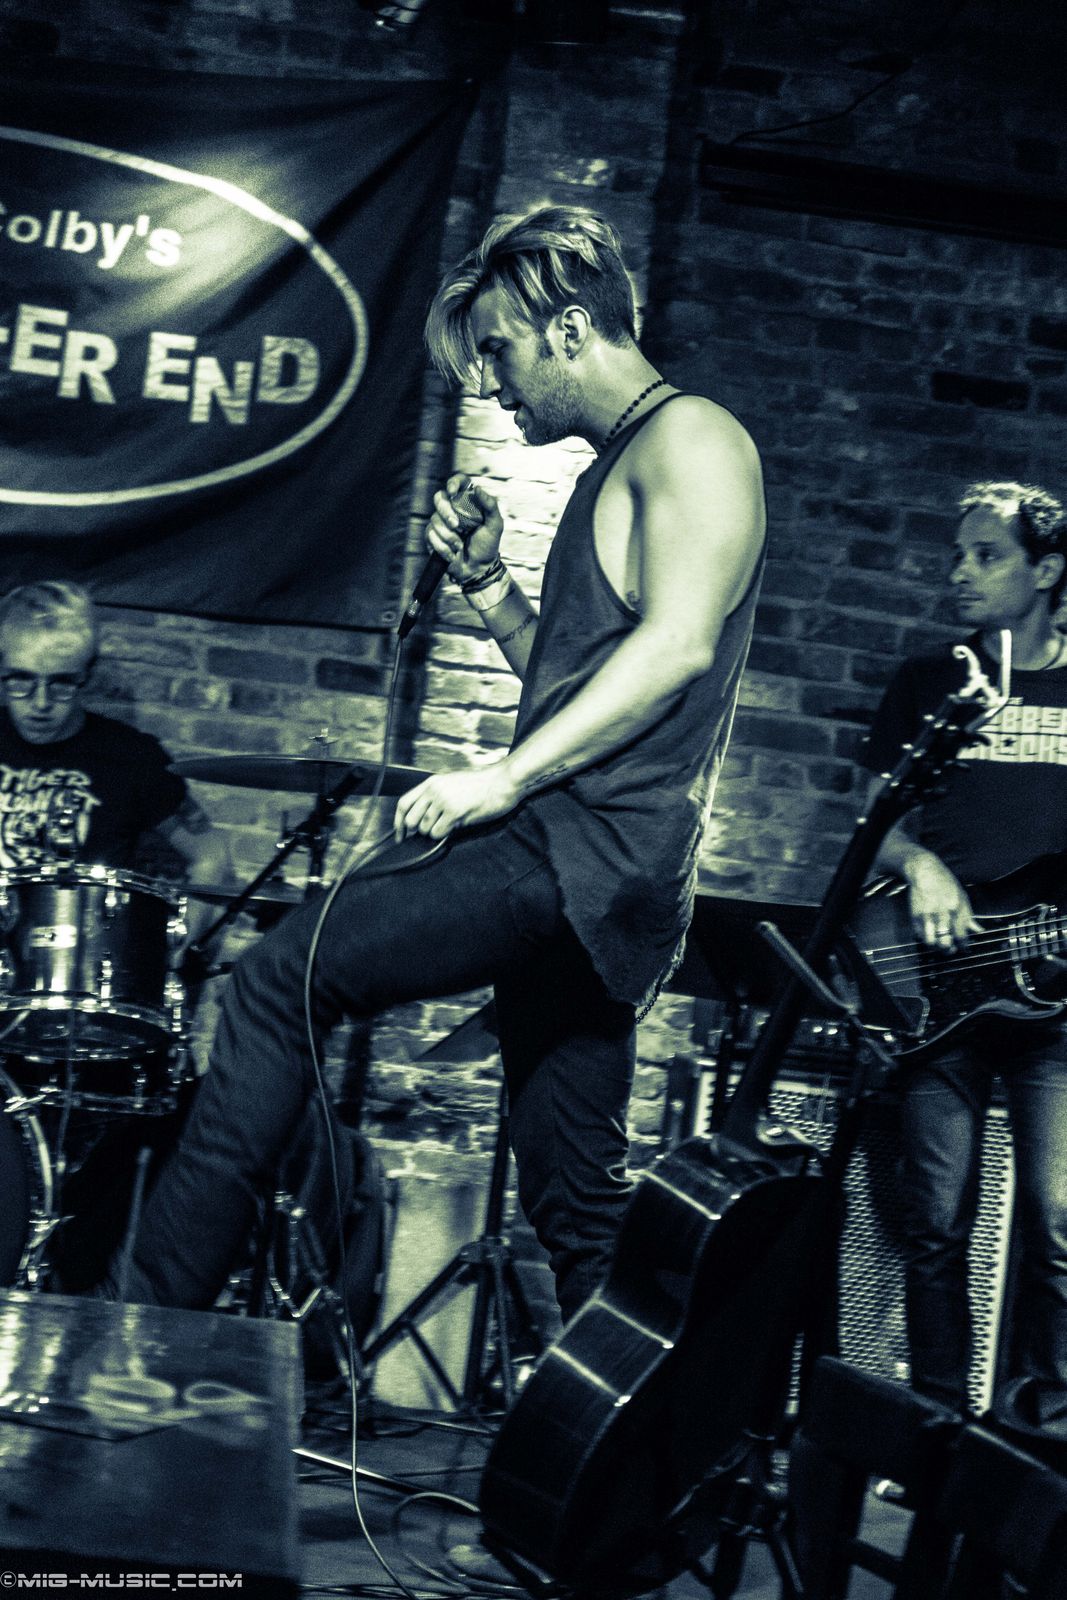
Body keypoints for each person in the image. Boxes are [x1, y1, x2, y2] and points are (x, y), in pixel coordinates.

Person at [101, 204, 766, 1321]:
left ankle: (143, 1324)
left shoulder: (691, 438)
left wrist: (500, 779)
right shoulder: (622, 464)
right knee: (575, 1202)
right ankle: (625, 1435)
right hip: (601, 887)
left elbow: (676, 647)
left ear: (568, 328)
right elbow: (587, 684)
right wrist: (490, 588)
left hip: (571, 848)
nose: (491, 386)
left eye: (499, 351)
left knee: (276, 984)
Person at [861, 481, 1067, 1418]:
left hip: (1054, 1002)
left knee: (1059, 1227)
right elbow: (873, 830)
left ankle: (1036, 1439)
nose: (960, 573)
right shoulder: (929, 681)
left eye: (986, 556)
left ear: (1046, 571)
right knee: (935, 1223)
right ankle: (934, 1428)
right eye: (957, 555)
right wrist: (921, 866)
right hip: (935, 987)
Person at [0, 580, 232, 1289]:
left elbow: (213, 860)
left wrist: (177, 948)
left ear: (89, 676)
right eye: (20, 681)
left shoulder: (128, 759)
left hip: (80, 1008)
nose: (40, 702)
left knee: (86, 1216)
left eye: (62, 683)